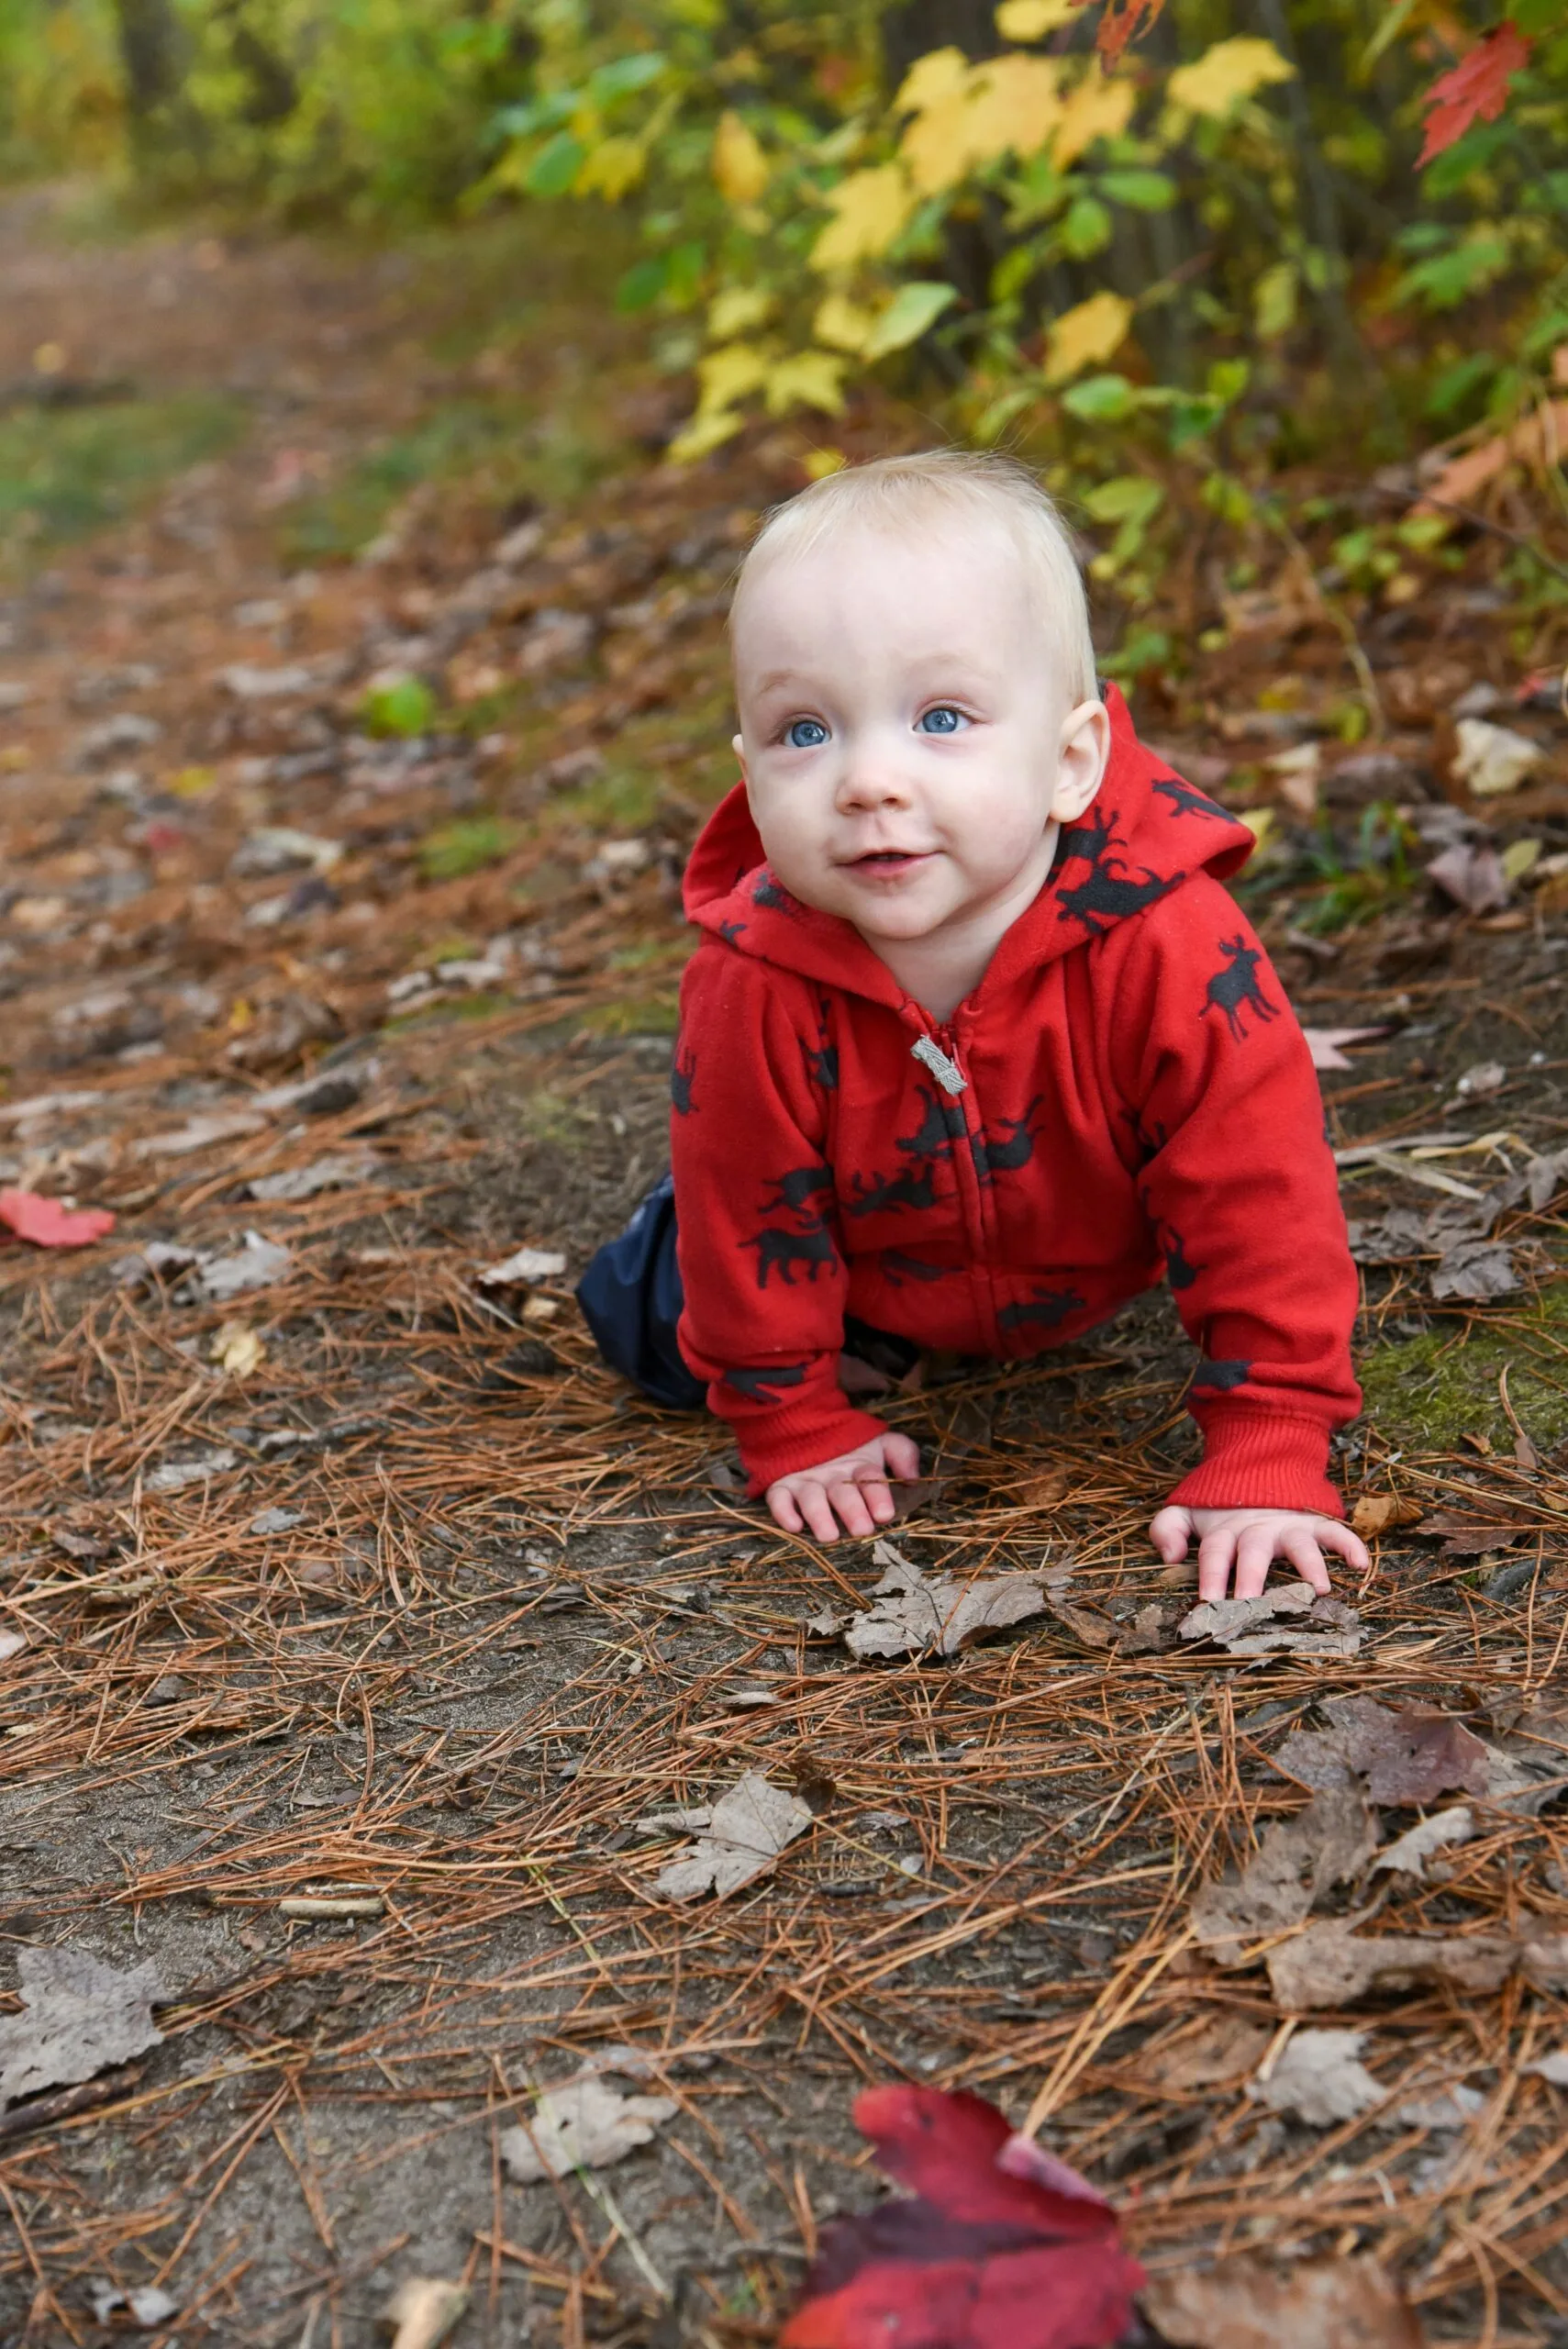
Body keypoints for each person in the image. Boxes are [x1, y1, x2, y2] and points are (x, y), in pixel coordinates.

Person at [577, 450, 1368, 1602]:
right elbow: (746, 1211)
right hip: (871, 1258)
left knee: (1239, 1137)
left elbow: (1261, 1196)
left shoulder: (1167, 946)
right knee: (647, 1314)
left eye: (939, 716)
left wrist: (1269, 1439)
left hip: (1083, 1243)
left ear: (1068, 759)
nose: (866, 780)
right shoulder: (753, 980)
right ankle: (842, 1329)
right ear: (747, 777)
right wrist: (789, 1416)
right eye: (805, 731)